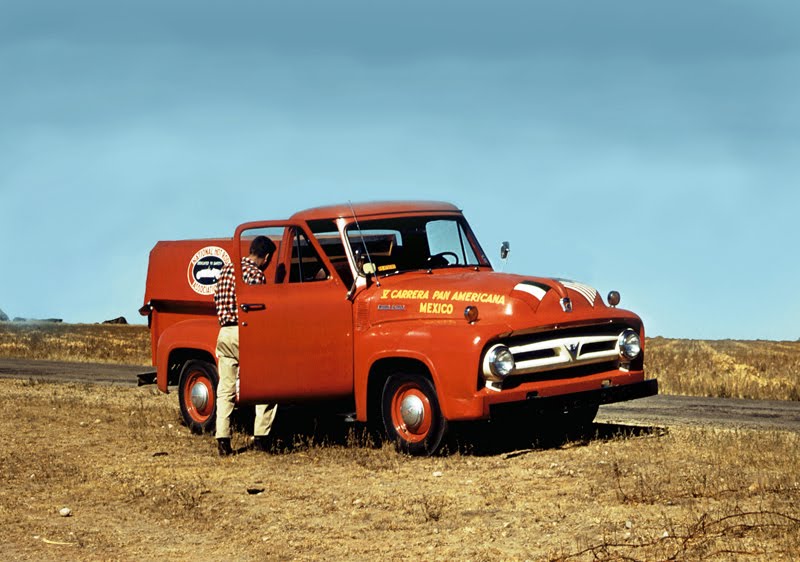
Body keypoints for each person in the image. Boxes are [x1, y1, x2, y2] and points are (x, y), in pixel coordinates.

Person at [213, 235, 278, 456]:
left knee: (226, 389)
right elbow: (259, 309)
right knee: (266, 383)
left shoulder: (226, 271)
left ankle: (223, 439)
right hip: (245, 332)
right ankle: (261, 437)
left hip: (224, 332)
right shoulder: (255, 275)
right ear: (267, 257)